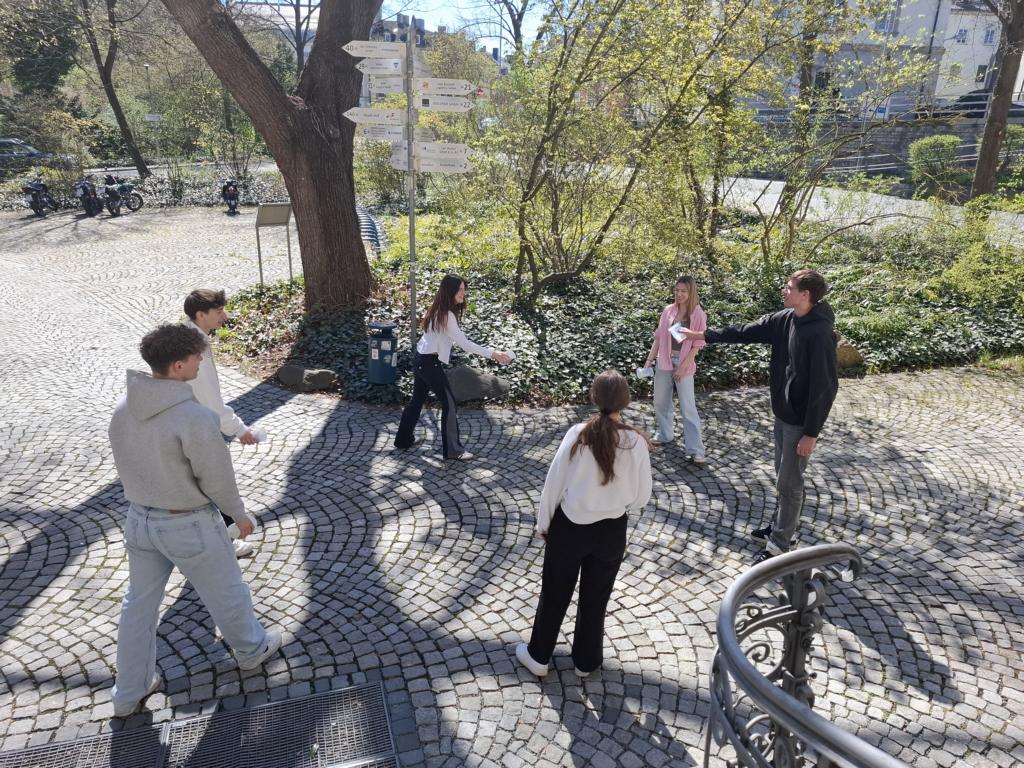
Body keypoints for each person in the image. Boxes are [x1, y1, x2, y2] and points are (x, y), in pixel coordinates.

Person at [108, 324, 281, 718]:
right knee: (226, 591)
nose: (202, 362)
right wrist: (239, 514)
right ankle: (251, 649)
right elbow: (216, 478)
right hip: (188, 523)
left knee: (138, 607)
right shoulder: (193, 417)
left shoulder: (123, 408)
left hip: (139, 520)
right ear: (179, 365)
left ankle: (127, 692)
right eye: (197, 358)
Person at [679, 269, 838, 564]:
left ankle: (780, 545)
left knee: (790, 484)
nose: (784, 290)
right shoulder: (785, 319)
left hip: (801, 422)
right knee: (783, 478)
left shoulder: (820, 334)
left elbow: (825, 387)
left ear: (805, 294)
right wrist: (702, 335)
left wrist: (811, 433)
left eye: (789, 287)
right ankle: (782, 529)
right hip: (783, 415)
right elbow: (745, 331)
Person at [516, 370, 652, 678]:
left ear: (593, 397)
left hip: (571, 526)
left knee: (555, 591)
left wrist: (544, 523)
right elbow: (642, 496)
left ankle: (539, 656)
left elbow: (554, 483)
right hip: (612, 529)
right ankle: (585, 662)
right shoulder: (636, 442)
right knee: (596, 597)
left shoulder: (579, 434)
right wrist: (618, 504)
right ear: (626, 401)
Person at [394, 274, 512, 460]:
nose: (463, 293)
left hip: (421, 359)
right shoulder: (447, 315)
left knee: (417, 400)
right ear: (450, 291)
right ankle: (453, 450)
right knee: (449, 404)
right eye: (460, 290)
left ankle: (403, 440)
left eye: (464, 289)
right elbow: (465, 345)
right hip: (429, 363)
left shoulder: (438, 309)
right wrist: (494, 354)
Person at [183, 288, 258, 558]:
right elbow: (210, 399)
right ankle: (226, 541)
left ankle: (213, 540)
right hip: (198, 428)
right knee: (215, 484)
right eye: (218, 311)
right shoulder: (196, 348)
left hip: (185, 425)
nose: (224, 316)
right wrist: (239, 429)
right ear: (200, 315)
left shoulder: (186, 336)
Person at [643, 275, 707, 463]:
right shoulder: (668, 311)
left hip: (684, 363)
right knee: (660, 401)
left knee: (688, 407)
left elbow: (698, 344)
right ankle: (665, 434)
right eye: (677, 290)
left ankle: (696, 450)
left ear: (691, 292)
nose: (679, 294)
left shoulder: (698, 314)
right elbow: (659, 338)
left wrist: (683, 367)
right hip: (664, 361)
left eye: (683, 291)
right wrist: (649, 361)